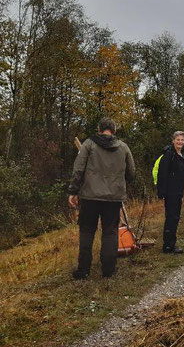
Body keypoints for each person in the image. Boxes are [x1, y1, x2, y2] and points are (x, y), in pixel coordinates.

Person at [68, 118, 135, 280]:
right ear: (114, 130)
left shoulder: (88, 144)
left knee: (86, 231)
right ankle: (109, 270)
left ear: (99, 130)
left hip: (90, 197)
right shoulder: (123, 147)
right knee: (110, 232)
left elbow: (78, 169)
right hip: (113, 198)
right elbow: (131, 173)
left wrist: (73, 191)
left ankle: (83, 270)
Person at [157, 131, 184, 254]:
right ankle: (168, 246)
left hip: (178, 191)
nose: (180, 142)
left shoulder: (180, 155)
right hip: (171, 192)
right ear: (173, 140)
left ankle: (171, 243)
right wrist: (162, 192)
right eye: (178, 139)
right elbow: (162, 174)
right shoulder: (169, 155)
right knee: (171, 218)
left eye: (182, 140)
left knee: (175, 218)